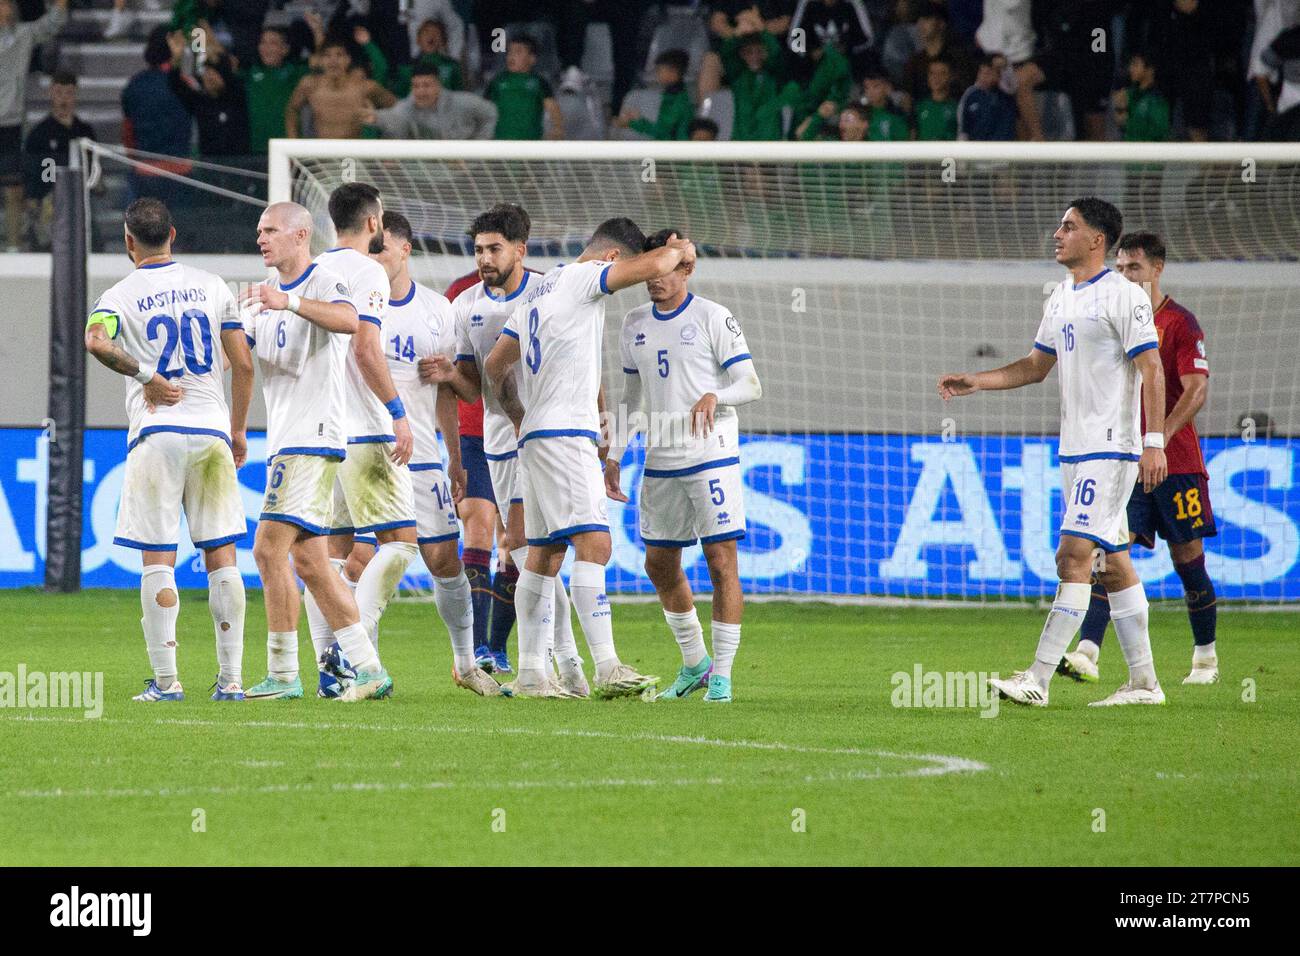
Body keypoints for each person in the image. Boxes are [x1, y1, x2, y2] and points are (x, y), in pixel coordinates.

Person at [938, 197, 1169, 707]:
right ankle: (1145, 684)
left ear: (1097, 240)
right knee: (1113, 564)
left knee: (1072, 556)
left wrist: (1154, 443)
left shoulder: (1123, 295)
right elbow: (1035, 366)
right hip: (1075, 449)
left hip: (1111, 448)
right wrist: (979, 380)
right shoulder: (1061, 297)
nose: (1057, 233)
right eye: (1059, 224)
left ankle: (1037, 679)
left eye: (1068, 226)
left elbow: (1153, 370)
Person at [482, 218, 695, 698]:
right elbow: (659, 262)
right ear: (613, 259)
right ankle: (607, 665)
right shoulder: (583, 279)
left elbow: (496, 365)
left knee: (542, 555)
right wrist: (681, 248)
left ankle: (534, 672)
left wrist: (519, 413)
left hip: (536, 435)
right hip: (562, 433)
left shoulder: (538, 290)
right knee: (595, 545)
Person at [84, 198, 250, 702]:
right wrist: (237, 430)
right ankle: (232, 680)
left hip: (158, 433)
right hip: (212, 432)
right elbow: (241, 364)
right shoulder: (213, 285)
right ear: (173, 234)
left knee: (159, 556)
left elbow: (95, 341)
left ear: (128, 241)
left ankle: (166, 682)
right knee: (222, 556)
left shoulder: (119, 295)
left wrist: (146, 376)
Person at [421, 204, 586, 692]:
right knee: (528, 544)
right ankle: (562, 664)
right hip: (500, 437)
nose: (484, 259)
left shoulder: (551, 290)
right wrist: (451, 374)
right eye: (478, 250)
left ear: (520, 249)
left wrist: (598, 419)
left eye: (494, 249)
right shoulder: (465, 305)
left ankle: (560, 664)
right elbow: (472, 388)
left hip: (554, 428)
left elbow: (580, 353)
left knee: (537, 543)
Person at [241, 200, 392, 702]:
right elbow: (238, 361)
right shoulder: (257, 298)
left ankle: (283, 673)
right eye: (259, 231)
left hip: (314, 434)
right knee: (310, 562)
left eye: (270, 230)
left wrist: (290, 304)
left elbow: (350, 323)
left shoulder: (323, 279)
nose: (261, 238)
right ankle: (369, 669)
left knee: (267, 549)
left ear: (301, 234)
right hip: (287, 438)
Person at [606, 228, 763, 703]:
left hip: (710, 455)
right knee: (659, 565)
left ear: (687, 268)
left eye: (667, 267)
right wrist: (614, 455)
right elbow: (632, 400)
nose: (655, 278)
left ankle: (724, 676)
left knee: (720, 562)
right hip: (661, 458)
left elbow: (751, 384)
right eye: (650, 267)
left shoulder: (715, 317)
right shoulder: (633, 322)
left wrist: (717, 395)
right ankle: (695, 662)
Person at [1062, 232, 1219, 686]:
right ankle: (1088, 650)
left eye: (1135, 267)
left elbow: (1196, 389)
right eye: (1121, 267)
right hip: (1125, 461)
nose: (1127, 275)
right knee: (1109, 551)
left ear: (1157, 269)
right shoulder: (1112, 315)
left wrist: (1159, 439)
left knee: (1188, 559)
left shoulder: (1181, 323)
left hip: (1178, 462)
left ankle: (1205, 658)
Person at [366, 211, 502, 696]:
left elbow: (451, 392)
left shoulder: (436, 309)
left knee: (445, 561)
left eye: (381, 249)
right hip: (365, 453)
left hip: (423, 455)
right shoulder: (356, 306)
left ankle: (466, 663)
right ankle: (365, 667)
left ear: (404, 249)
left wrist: (455, 457)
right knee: (363, 559)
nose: (374, 257)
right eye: (370, 249)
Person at [296, 183, 415, 700]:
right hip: (365, 426)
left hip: (321, 430)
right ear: (374, 223)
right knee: (401, 543)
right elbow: (366, 348)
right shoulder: (368, 272)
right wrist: (398, 412)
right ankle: (353, 649)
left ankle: (329, 670)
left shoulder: (315, 270)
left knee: (334, 555)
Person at [0, 0, 67, 251]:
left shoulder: (23, 34)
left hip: (12, 122)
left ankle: (14, 246)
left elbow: (53, 23)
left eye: (6, 4)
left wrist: (60, 5)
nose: (2, 9)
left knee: (14, 190)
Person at [22, 70, 95, 251]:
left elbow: (94, 171)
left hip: (80, 200)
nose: (64, 99)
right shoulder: (39, 135)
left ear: (76, 94)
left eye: (69, 93)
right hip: (48, 202)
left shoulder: (85, 132)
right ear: (51, 94)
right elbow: (31, 175)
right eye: (59, 93)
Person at [285, 40, 395, 139]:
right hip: (321, 154)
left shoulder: (365, 87)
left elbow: (398, 109)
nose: (333, 61)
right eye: (327, 55)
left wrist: (388, 145)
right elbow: (292, 110)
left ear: (348, 60)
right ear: (321, 61)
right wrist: (292, 142)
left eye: (339, 55)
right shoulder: (309, 84)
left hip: (353, 154)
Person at [165, 29, 249, 156]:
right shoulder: (199, 101)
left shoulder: (237, 96)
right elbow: (178, 82)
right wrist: (179, 57)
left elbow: (228, 64)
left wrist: (207, 39)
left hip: (241, 164)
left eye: (215, 73)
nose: (209, 77)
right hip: (209, 167)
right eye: (206, 73)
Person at [368, 64, 496, 139]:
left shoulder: (463, 101)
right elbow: (393, 116)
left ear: (438, 85)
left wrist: (475, 148)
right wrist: (376, 117)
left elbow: (491, 112)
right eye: (416, 86)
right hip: (426, 175)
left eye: (426, 85)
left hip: (464, 173)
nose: (421, 91)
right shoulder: (406, 106)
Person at [241, 26, 307, 154]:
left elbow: (321, 62)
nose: (266, 48)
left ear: (285, 49)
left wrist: (317, 30)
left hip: (287, 148)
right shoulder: (250, 73)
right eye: (263, 42)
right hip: (256, 149)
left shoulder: (295, 72)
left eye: (273, 43)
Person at [486, 35, 563, 140]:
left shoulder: (539, 82)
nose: (511, 56)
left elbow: (552, 107)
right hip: (501, 143)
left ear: (532, 59)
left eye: (518, 52)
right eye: (509, 52)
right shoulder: (497, 81)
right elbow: (484, 108)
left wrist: (557, 128)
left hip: (530, 145)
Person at [614, 49, 693, 140]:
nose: (657, 74)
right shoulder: (673, 96)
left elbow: (661, 131)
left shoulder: (677, 102)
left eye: (660, 70)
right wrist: (638, 119)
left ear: (673, 72)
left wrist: (631, 124)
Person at [1113, 51, 1171, 143]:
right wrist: (1120, 108)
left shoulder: (1158, 99)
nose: (1130, 69)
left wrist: (1129, 123)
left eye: (1135, 65)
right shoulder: (1129, 93)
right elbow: (1121, 123)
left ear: (1150, 70)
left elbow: (1159, 131)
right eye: (1131, 65)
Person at [957, 53, 1016, 140]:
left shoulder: (1006, 93)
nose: (983, 77)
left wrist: (1005, 66)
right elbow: (963, 129)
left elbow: (1012, 84)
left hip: (1003, 148)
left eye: (988, 73)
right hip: (978, 148)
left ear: (998, 75)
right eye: (981, 72)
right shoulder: (971, 94)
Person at [914, 58, 958, 139]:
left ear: (951, 77)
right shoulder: (919, 107)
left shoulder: (957, 107)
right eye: (932, 73)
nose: (936, 77)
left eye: (942, 73)